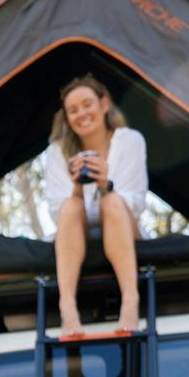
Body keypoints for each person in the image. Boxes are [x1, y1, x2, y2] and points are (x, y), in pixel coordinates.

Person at [42, 75, 149, 335]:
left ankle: (130, 301)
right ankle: (68, 307)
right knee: (70, 207)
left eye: (87, 104)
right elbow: (59, 211)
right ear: (67, 118)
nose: (82, 114)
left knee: (112, 201)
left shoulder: (131, 141)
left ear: (104, 104)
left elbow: (134, 202)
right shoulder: (55, 153)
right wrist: (78, 187)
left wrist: (104, 184)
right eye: (73, 110)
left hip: (123, 224)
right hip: (75, 228)